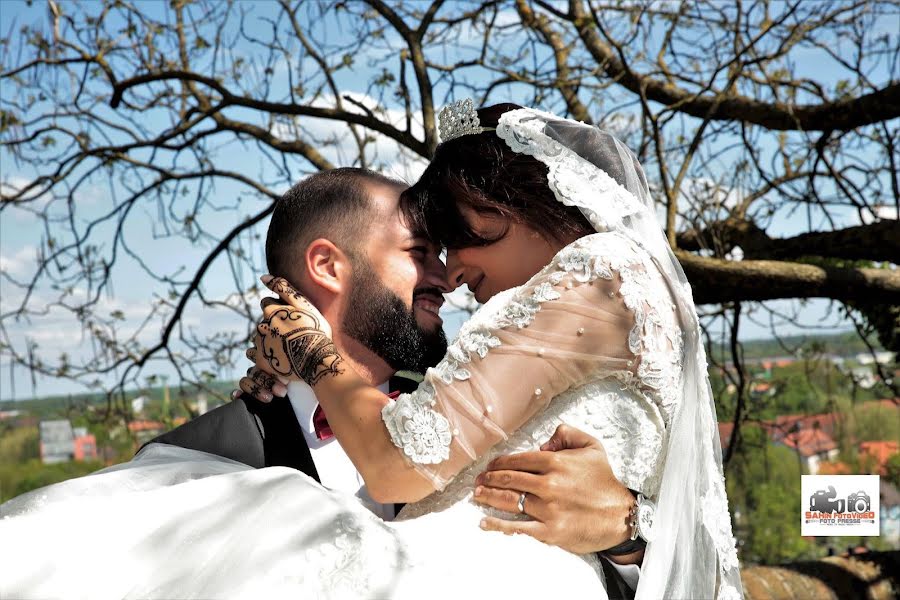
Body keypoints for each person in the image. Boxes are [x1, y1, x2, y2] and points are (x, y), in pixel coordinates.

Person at [0, 160, 645, 598]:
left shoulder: (476, 418)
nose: (446, 279)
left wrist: (624, 538)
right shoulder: (202, 457)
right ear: (327, 266)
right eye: (420, 253)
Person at [244, 102, 743, 599]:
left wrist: (307, 346)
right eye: (427, 251)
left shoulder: (603, 274)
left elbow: (395, 462)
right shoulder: (225, 445)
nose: (452, 274)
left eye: (459, 237)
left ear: (516, 200)